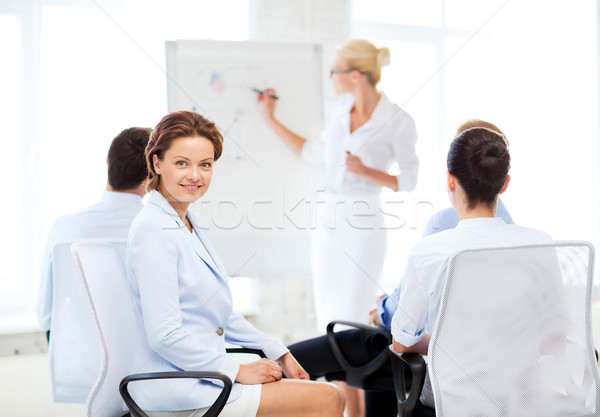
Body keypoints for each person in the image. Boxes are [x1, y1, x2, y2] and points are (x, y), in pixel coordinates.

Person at [288, 119, 515, 417]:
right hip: (494, 373)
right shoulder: (525, 240)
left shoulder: (443, 227)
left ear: (451, 177)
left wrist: (383, 308)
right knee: (382, 369)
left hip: (435, 361)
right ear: (503, 179)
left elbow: (402, 328)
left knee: (298, 357)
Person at [125, 110, 344, 417]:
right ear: (157, 163)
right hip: (179, 389)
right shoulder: (152, 229)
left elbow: (219, 313)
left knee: (316, 394)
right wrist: (235, 369)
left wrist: (277, 349)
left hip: (206, 379)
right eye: (181, 163)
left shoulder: (189, 222)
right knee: (329, 399)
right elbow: (164, 335)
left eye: (205, 165)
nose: (195, 175)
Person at [259, 39, 419, 416]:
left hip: (364, 224)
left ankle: (356, 412)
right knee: (328, 321)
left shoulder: (398, 120)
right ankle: (344, 411)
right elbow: (314, 152)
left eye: (334, 71)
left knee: (352, 321)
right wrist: (270, 118)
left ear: (356, 75)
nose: (330, 78)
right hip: (329, 221)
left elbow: (409, 180)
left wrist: (368, 171)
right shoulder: (338, 110)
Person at [391, 126, 551, 408]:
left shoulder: (429, 251)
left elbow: (402, 343)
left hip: (457, 399)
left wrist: (455, 342)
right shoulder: (540, 243)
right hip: (526, 397)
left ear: (450, 181)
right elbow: (557, 336)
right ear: (505, 183)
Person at [37, 126, 151, 340]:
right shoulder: (164, 231)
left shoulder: (64, 228)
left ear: (108, 161)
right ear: (151, 176)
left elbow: (46, 315)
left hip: (76, 368)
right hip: (146, 370)